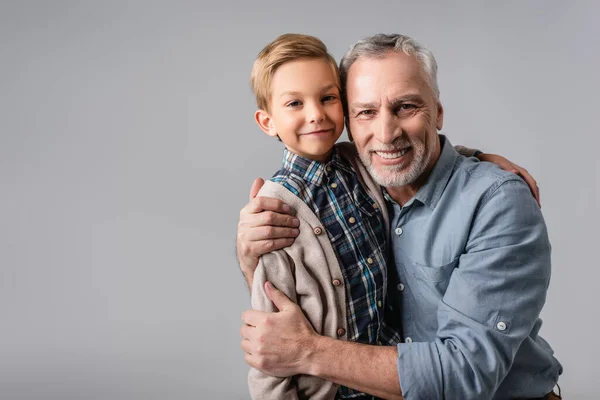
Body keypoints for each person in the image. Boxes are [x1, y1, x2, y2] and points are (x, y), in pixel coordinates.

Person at [238, 33, 562, 400]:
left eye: (406, 107)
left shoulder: (496, 203)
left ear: (437, 111)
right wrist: (251, 255)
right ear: (348, 120)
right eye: (366, 112)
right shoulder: (357, 186)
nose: (386, 133)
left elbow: (463, 376)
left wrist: (305, 351)